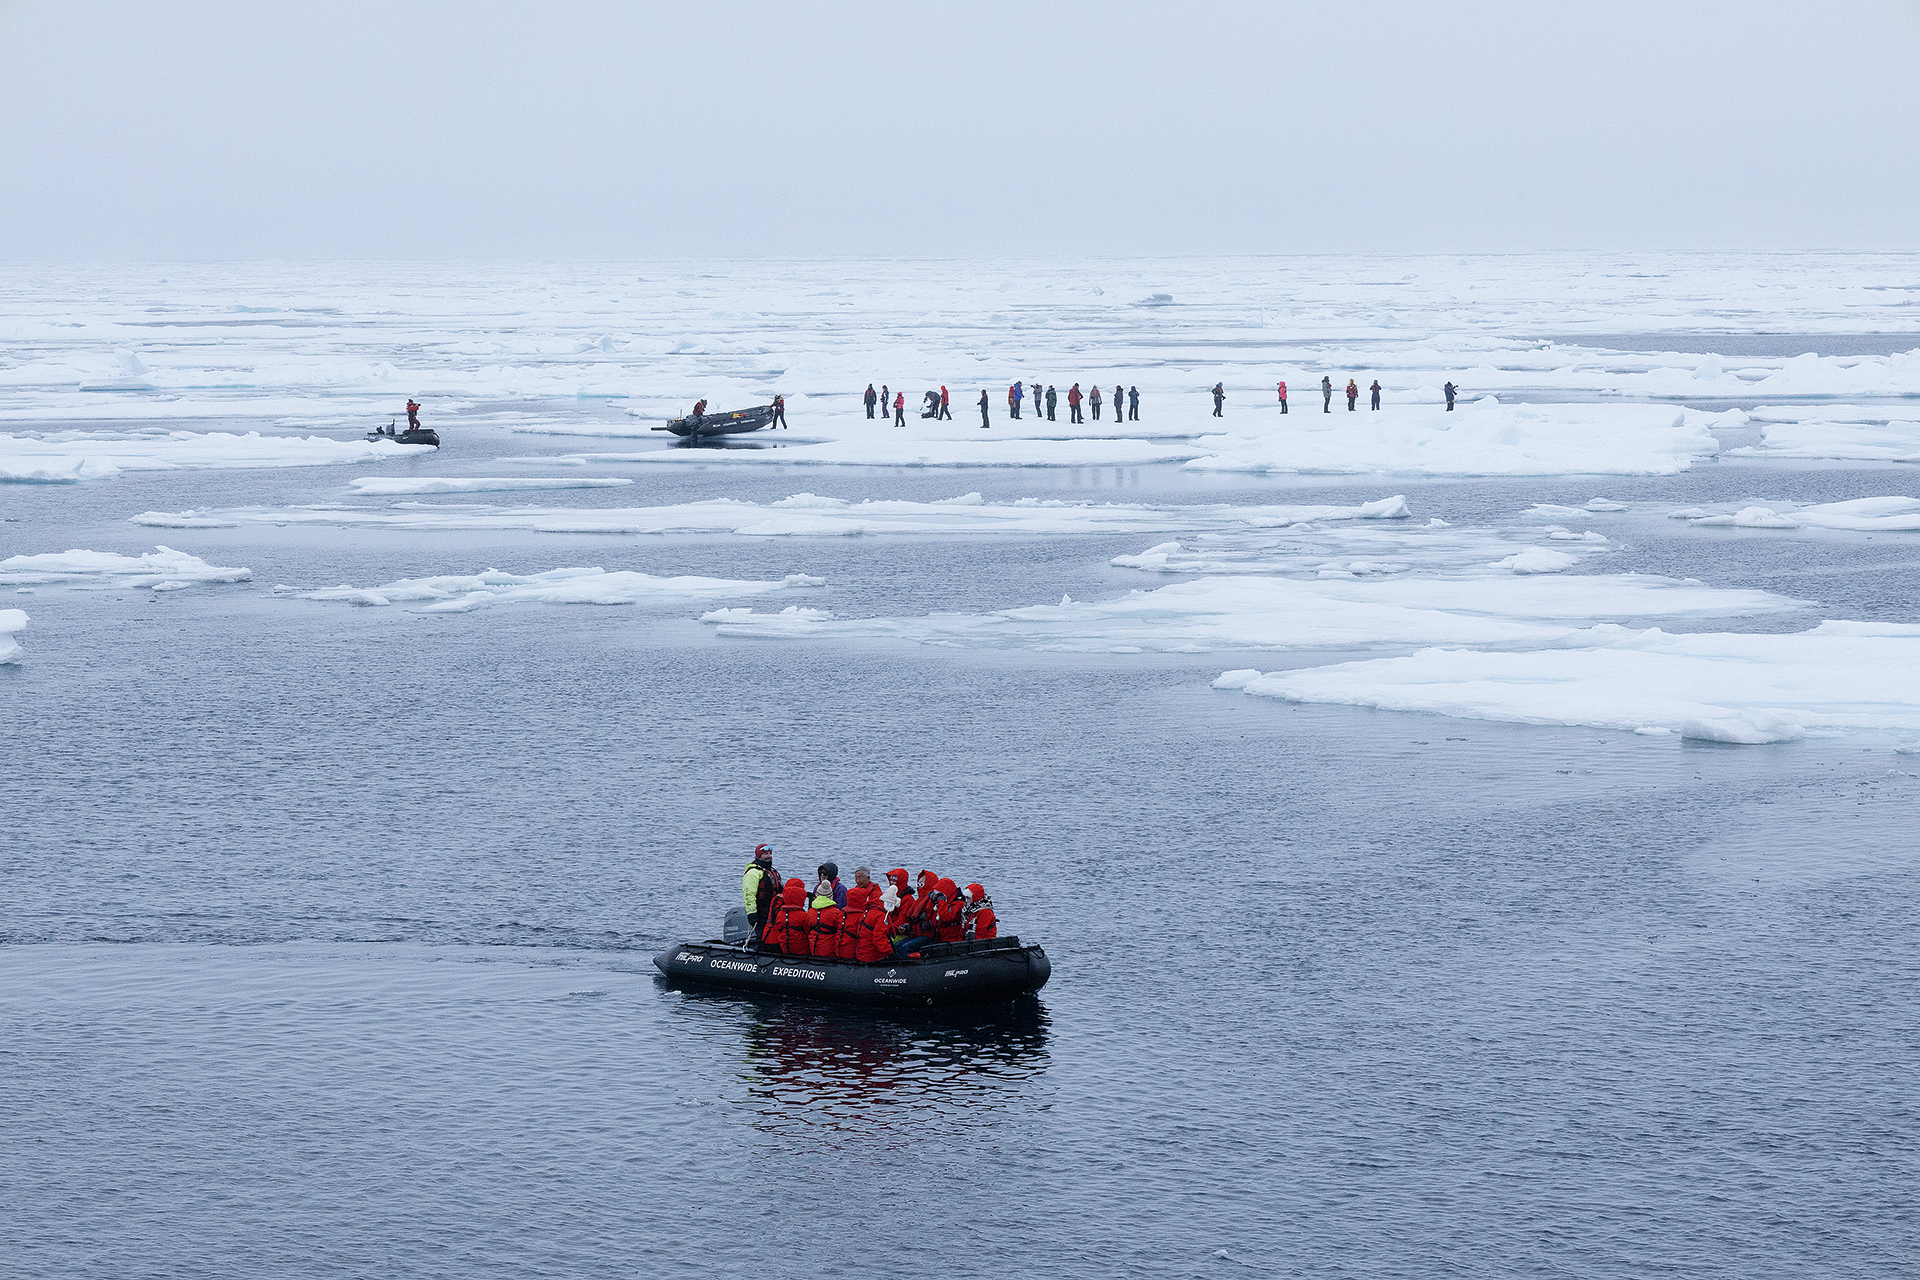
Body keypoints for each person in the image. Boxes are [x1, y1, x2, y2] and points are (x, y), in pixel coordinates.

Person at [741, 843, 780, 944]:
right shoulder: (753, 873)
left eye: (770, 854)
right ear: (759, 855)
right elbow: (749, 894)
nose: (769, 856)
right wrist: (751, 913)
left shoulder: (771, 871)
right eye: (765, 854)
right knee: (761, 935)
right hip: (761, 911)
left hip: (773, 910)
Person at [855, 886, 893, 962]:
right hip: (872, 956)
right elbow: (878, 938)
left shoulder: (868, 911)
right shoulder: (881, 916)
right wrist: (889, 952)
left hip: (860, 952)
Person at [932, 878, 965, 942]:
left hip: (953, 939)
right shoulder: (946, 903)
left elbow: (946, 917)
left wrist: (941, 901)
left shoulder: (959, 903)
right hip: (942, 937)